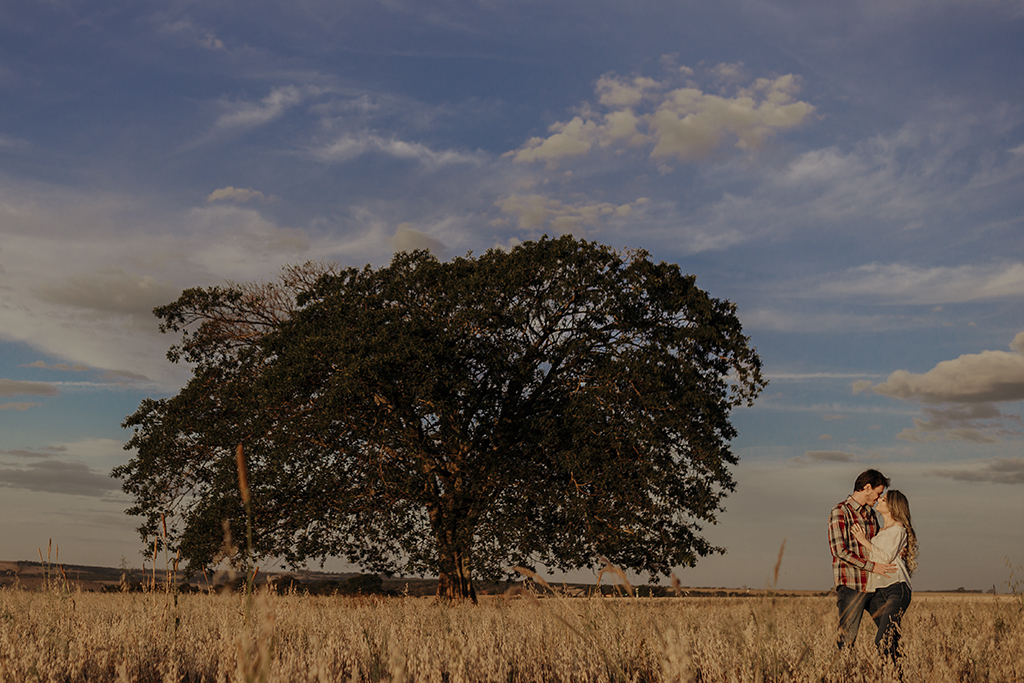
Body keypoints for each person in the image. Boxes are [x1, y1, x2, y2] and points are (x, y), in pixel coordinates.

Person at [828, 469, 897, 648]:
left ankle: (892, 674)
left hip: (875, 585)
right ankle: (844, 675)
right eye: (878, 493)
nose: (879, 497)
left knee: (891, 632)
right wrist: (872, 566)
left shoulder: (872, 515)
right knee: (847, 639)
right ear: (867, 488)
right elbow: (839, 551)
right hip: (852, 585)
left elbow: (877, 547)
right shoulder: (840, 511)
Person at [852, 489, 917, 663]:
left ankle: (890, 675)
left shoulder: (898, 529)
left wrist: (863, 540)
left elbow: (885, 557)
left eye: (885, 499)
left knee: (882, 640)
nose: (880, 499)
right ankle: (897, 676)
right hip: (878, 591)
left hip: (896, 587)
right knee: (891, 640)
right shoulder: (881, 530)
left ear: (893, 507)